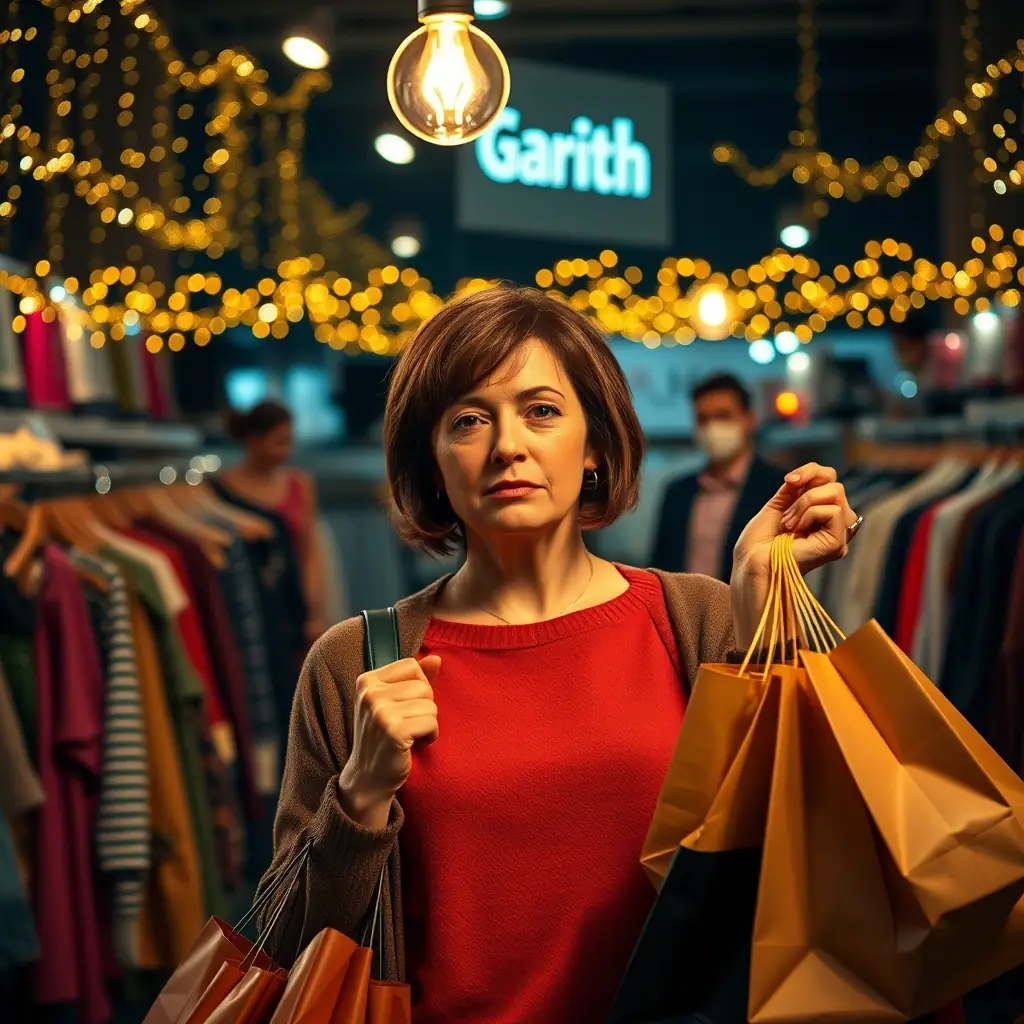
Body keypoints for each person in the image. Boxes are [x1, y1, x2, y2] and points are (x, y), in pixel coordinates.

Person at [255, 287, 858, 1023]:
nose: (509, 444)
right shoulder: (356, 661)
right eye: (469, 420)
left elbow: (809, 857)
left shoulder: (694, 618)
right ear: (433, 461)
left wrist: (767, 619)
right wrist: (360, 794)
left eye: (541, 411)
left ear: (596, 444)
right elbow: (285, 947)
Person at [649, 372, 780, 581]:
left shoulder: (777, 489)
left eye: (723, 416)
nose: (712, 427)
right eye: (703, 419)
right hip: (681, 612)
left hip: (750, 612)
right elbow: (658, 568)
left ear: (750, 419)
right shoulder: (677, 491)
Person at [219, 400, 324, 643]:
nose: (286, 451)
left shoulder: (299, 485)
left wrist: (314, 610)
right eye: (279, 442)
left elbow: (309, 551)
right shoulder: (224, 488)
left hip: (293, 598)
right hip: (248, 602)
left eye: (289, 441)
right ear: (254, 440)